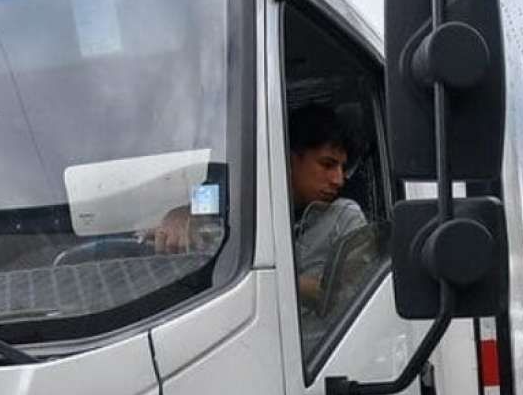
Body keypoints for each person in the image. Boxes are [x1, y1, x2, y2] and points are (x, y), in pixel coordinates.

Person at [151, 104, 365, 309]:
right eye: (327, 165)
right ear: (290, 159)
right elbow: (200, 205)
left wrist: (281, 282)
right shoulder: (241, 192)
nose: (338, 179)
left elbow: (347, 297)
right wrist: (178, 216)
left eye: (342, 168)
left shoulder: (345, 217)